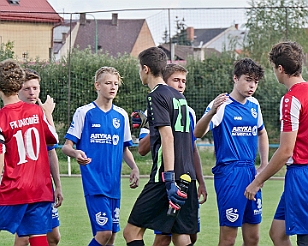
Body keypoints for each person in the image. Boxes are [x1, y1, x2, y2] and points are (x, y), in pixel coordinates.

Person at [123, 47, 199, 246]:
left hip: (166, 177)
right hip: (187, 175)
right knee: (180, 234)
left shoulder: (155, 96)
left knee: (132, 232)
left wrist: (169, 179)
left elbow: (168, 137)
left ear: (146, 69)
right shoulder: (179, 97)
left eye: (140, 68)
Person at [194, 57, 269, 246]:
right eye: (248, 79)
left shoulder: (254, 105)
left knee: (253, 238)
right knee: (228, 238)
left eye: (255, 82)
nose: (252, 85)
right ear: (235, 78)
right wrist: (210, 113)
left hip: (251, 172)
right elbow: (197, 132)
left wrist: (264, 164)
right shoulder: (221, 105)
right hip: (229, 173)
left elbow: (262, 133)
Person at [62, 66, 140, 246]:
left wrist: (134, 167)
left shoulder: (121, 115)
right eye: (107, 83)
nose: (112, 87)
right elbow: (66, 147)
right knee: (104, 233)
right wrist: (75, 153)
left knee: (111, 236)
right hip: (94, 183)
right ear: (97, 85)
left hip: (114, 185)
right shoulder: (84, 112)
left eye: (115, 84)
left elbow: (124, 148)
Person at [244, 41, 308, 246]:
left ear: (280, 69)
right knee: (278, 233)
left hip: (302, 176)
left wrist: (257, 181)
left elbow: (285, 151)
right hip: (300, 177)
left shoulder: (291, 99)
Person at [0, 59, 58, 246]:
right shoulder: (36, 111)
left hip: (12, 188)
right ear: (19, 85)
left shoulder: (2, 117)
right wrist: (47, 113)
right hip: (39, 188)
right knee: (38, 238)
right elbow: (53, 139)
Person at [14, 68, 63, 246]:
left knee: (53, 237)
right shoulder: (13, 115)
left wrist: (57, 185)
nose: (32, 92)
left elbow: (51, 149)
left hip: (42, 186)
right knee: (25, 236)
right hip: (22, 185)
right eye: (27, 88)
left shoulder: (40, 113)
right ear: (18, 90)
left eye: (35, 88)